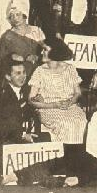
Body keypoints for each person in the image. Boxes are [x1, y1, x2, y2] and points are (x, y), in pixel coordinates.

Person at [28, 39, 87, 176]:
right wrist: (54, 105)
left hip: (69, 106)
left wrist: (70, 102)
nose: (42, 52)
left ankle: (75, 164)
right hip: (48, 108)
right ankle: (62, 165)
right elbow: (31, 100)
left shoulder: (70, 68)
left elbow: (77, 93)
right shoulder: (39, 71)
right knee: (66, 123)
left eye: (46, 50)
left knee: (80, 121)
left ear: (55, 52)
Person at [0, 56, 41, 182]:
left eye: (24, 73)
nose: (22, 76)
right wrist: (23, 135)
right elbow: (1, 127)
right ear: (7, 77)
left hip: (24, 138)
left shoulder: (28, 91)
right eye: (17, 73)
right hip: (5, 142)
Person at [0, 3, 46, 79]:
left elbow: (47, 50)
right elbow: (0, 57)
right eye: (12, 16)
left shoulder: (36, 31)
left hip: (36, 71)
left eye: (18, 14)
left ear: (24, 15)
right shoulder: (7, 36)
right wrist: (11, 57)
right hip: (17, 74)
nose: (15, 18)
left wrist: (37, 57)